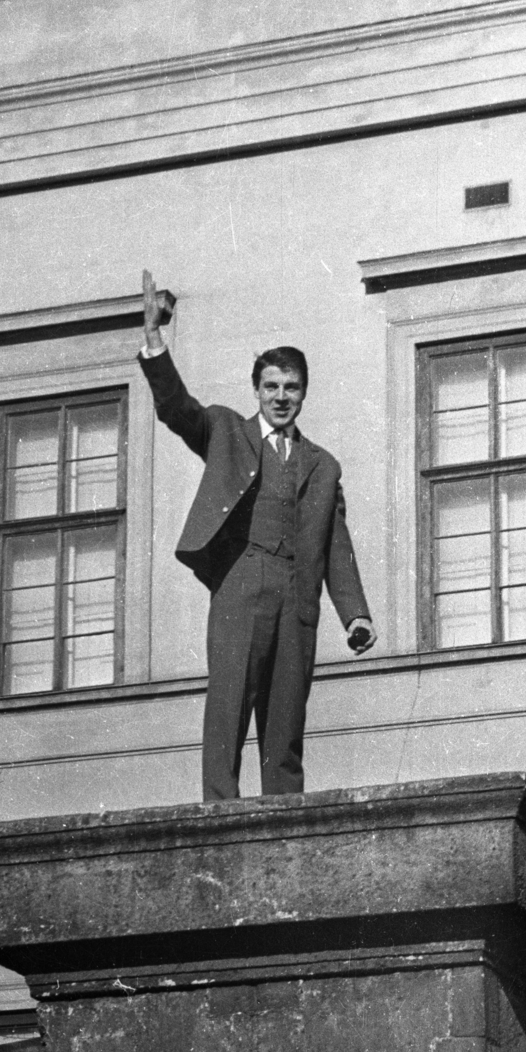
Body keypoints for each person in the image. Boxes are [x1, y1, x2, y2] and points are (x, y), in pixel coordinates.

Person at [139, 270, 376, 803]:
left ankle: (284, 815)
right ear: (257, 390)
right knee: (228, 704)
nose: (281, 396)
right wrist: (155, 343)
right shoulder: (227, 431)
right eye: (271, 386)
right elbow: (179, 411)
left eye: (291, 387)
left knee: (285, 717)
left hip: (297, 593)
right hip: (241, 581)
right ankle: (219, 809)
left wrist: (355, 614)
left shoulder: (322, 464)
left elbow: (336, 544)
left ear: (304, 394)